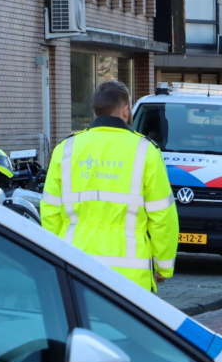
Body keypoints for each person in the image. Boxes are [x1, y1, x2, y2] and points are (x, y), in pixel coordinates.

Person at [41, 81, 178, 292]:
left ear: (96, 111)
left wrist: (52, 257)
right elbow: (162, 215)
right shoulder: (146, 150)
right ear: (125, 110)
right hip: (130, 272)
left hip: (76, 264)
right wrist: (164, 266)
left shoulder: (66, 148)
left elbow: (50, 212)